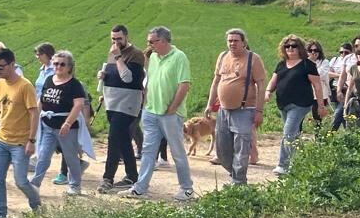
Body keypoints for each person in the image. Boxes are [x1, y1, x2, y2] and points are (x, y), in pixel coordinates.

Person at [127, 27, 194, 202]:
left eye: (152, 41)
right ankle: (140, 187)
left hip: (170, 114)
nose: (149, 45)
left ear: (163, 41)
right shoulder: (154, 57)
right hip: (151, 111)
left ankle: (186, 188)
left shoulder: (179, 57)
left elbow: (184, 85)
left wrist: (173, 107)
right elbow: (149, 80)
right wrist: (146, 102)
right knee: (148, 150)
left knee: (177, 151)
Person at [0, 47, 41, 218]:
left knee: (21, 181)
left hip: (20, 142)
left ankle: (37, 205)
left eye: (2, 67)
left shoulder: (25, 86)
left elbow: (34, 114)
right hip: (1, 139)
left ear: (12, 65)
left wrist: (31, 140)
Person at [207, 29, 266, 186]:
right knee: (222, 149)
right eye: (230, 41)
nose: (232, 43)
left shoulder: (253, 59)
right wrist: (209, 103)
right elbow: (216, 81)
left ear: (244, 42)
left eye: (235, 40)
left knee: (241, 148)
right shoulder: (223, 56)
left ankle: (239, 182)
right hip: (223, 110)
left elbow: (261, 85)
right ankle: (235, 174)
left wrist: (259, 111)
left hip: (244, 110)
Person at [96, 25, 146, 194]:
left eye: (119, 39)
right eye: (113, 39)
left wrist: (118, 58)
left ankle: (107, 178)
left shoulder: (136, 54)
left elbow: (128, 78)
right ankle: (132, 175)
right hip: (112, 102)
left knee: (113, 138)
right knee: (124, 139)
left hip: (127, 104)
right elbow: (116, 75)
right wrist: (104, 77)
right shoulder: (112, 52)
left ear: (126, 36)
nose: (116, 42)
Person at [29, 51, 87, 196]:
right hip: (48, 126)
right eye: (55, 63)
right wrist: (35, 115)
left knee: (70, 157)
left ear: (69, 67)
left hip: (66, 128)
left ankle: (75, 185)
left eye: (62, 64)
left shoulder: (74, 85)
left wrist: (67, 123)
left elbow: (78, 105)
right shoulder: (49, 80)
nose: (58, 67)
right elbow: (42, 100)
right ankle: (35, 183)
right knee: (43, 155)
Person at [266, 36, 325, 174]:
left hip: (301, 104)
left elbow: (317, 85)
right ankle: (299, 160)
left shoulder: (307, 65)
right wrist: (268, 92)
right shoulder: (281, 64)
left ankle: (283, 165)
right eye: (287, 46)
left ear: (300, 48)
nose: (290, 49)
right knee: (294, 134)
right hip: (283, 104)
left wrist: (321, 106)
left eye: (294, 46)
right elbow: (273, 81)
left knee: (288, 133)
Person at [306, 40, 332, 127]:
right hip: (306, 92)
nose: (313, 53)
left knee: (317, 117)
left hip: (320, 94)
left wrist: (311, 64)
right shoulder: (304, 62)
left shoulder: (324, 62)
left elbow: (320, 74)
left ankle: (318, 137)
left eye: (316, 50)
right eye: (311, 50)